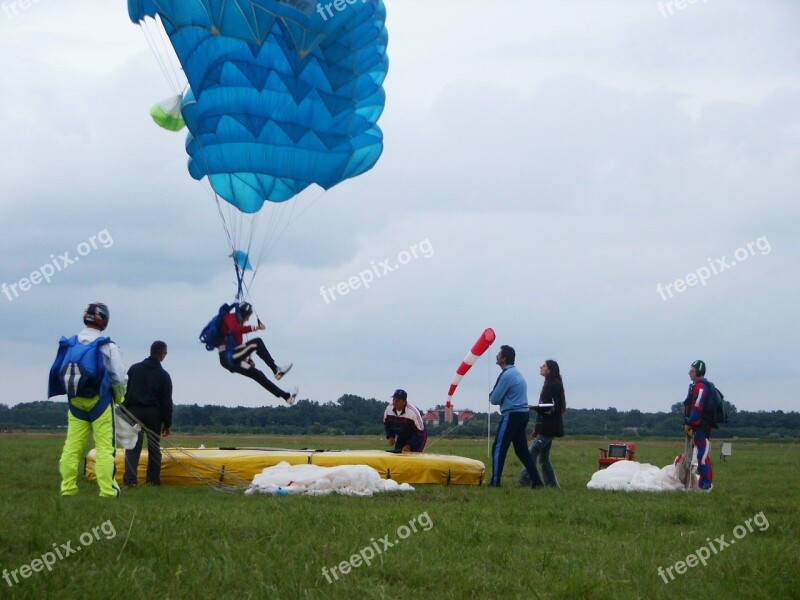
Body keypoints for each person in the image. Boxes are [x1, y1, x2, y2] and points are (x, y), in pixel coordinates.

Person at [48, 302, 127, 498]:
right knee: (105, 449)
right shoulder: (107, 345)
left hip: (75, 402)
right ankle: (108, 491)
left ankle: (67, 488)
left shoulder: (70, 343)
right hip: (100, 402)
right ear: (104, 321)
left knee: (72, 447)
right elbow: (119, 376)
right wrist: (119, 397)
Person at [218, 302, 297, 405]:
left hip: (232, 360)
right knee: (257, 342)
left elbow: (238, 349)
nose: (248, 319)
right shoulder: (232, 324)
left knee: (258, 375)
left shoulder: (237, 330)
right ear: (244, 314)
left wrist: (247, 360)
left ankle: (286, 397)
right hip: (227, 358)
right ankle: (275, 369)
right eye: (248, 316)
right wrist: (256, 328)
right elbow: (234, 330)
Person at [488, 345, 540, 487]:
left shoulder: (506, 375)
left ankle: (495, 481)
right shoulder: (517, 373)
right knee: (522, 451)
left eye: (498, 354)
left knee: (498, 448)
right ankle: (537, 481)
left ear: (503, 359)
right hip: (523, 414)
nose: (497, 356)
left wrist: (491, 395)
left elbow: (494, 399)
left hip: (511, 415)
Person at [122, 341, 173, 487]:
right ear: (163, 355)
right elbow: (166, 402)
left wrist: (125, 410)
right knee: (154, 448)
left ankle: (130, 480)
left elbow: (125, 390)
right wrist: (167, 424)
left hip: (133, 413)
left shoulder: (134, 369)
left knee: (132, 448)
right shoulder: (164, 376)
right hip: (154, 415)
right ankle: (153, 480)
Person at [520, 359, 566, 488]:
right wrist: (537, 426)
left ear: (550, 370)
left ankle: (525, 480)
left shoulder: (553, 384)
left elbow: (554, 408)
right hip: (547, 427)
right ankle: (553, 485)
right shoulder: (550, 384)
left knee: (532, 452)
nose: (541, 367)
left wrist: (536, 408)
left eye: (544, 366)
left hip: (549, 428)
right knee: (544, 457)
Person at [684, 359, 714, 491]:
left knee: (702, 457)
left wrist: (690, 423)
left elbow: (697, 407)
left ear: (698, 372)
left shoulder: (701, 387)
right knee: (699, 456)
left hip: (701, 427)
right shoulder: (697, 386)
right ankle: (701, 484)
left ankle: (705, 485)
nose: (689, 373)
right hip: (697, 427)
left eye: (692, 371)